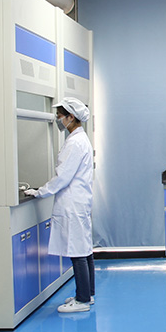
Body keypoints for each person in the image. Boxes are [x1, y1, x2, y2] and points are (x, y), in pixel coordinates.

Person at [26, 97, 95, 313]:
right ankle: (88, 293)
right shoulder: (80, 139)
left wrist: (40, 192)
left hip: (73, 203)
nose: (58, 119)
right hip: (79, 202)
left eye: (59, 116)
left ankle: (82, 300)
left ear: (70, 117)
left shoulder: (75, 143)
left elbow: (62, 177)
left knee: (78, 251)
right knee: (84, 249)